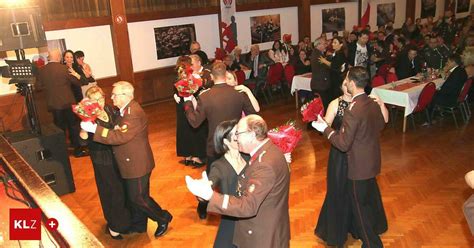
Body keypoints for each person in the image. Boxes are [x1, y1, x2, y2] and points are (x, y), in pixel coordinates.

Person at [80, 81, 173, 238]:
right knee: (133, 197)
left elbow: (119, 136)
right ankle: (138, 225)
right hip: (127, 162)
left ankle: (163, 218)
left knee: (138, 198)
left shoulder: (132, 113)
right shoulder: (123, 110)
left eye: (114, 94)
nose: (111, 97)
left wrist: (95, 129)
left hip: (137, 164)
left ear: (125, 96)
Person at [185, 114, 291, 248]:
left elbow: (248, 205)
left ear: (251, 135)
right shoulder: (271, 151)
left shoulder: (263, 163)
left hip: (262, 235)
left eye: (238, 133)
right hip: (266, 226)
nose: (236, 138)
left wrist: (211, 196)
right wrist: (204, 193)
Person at [312, 67, 388, 248]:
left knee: (359, 208)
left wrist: (325, 129)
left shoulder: (353, 109)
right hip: (371, 162)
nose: (345, 82)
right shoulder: (371, 102)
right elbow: (380, 125)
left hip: (357, 166)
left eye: (347, 79)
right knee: (365, 203)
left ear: (352, 84)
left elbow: (343, 144)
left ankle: (372, 244)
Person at [184, 62, 257, 219]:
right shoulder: (238, 94)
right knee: (239, 177)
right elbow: (252, 115)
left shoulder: (206, 97)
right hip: (236, 144)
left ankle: (203, 209)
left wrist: (188, 103)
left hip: (215, 145)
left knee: (211, 179)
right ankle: (237, 205)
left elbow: (194, 122)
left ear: (211, 77)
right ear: (225, 75)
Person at [79, 86, 131, 240]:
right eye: (95, 100)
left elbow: (118, 128)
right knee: (111, 192)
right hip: (102, 160)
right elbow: (82, 142)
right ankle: (114, 226)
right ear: (89, 102)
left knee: (122, 189)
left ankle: (125, 222)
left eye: (101, 98)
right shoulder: (89, 116)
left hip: (116, 155)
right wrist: (83, 130)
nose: (99, 103)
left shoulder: (109, 109)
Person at [37, 50, 88, 158]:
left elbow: (38, 87)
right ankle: (77, 151)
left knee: (59, 129)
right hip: (68, 103)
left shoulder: (42, 70)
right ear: (59, 57)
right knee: (73, 127)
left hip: (54, 104)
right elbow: (78, 82)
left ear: (49, 57)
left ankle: (62, 152)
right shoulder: (64, 69)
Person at [208, 120, 247, 248]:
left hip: (249, 213)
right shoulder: (219, 166)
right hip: (232, 219)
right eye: (236, 134)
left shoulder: (247, 156)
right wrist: (205, 190)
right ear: (226, 141)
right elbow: (211, 181)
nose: (239, 136)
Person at [174, 56, 207, 167]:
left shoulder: (179, 78)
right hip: (191, 105)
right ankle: (196, 156)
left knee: (184, 129)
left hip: (182, 106)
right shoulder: (192, 78)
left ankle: (187, 155)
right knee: (194, 128)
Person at [310, 37, 331, 109]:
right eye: (324, 44)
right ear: (318, 45)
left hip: (319, 84)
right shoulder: (318, 56)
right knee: (322, 107)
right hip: (320, 85)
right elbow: (327, 67)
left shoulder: (318, 53)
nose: (326, 45)